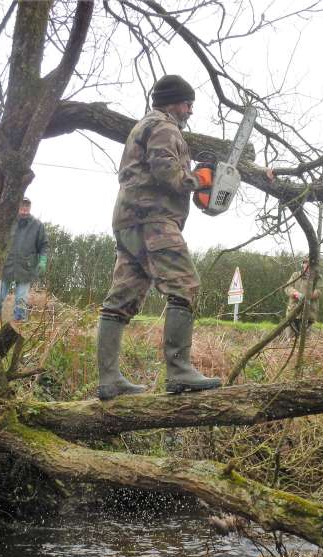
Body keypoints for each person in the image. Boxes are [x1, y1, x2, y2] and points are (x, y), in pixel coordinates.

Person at [97, 74, 221, 400]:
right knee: (185, 284)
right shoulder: (165, 127)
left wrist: (193, 182)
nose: (190, 110)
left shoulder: (143, 126)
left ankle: (108, 379)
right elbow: (165, 169)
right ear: (173, 102)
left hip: (128, 221)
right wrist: (198, 180)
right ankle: (179, 372)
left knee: (120, 299)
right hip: (152, 220)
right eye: (187, 103)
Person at [0, 197, 49, 323]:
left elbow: (44, 245)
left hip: (26, 268)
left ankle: (19, 325)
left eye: (27, 208)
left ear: (30, 208)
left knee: (21, 300)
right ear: (18, 207)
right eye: (22, 207)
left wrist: (43, 260)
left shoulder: (38, 225)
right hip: (7, 266)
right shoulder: (9, 222)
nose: (24, 211)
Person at [284, 258, 323, 336]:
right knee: (290, 340)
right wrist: (296, 294)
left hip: (309, 314)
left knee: (305, 343)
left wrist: (307, 297)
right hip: (292, 312)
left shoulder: (318, 277)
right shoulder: (295, 275)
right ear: (302, 264)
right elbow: (287, 288)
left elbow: (320, 291)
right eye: (305, 263)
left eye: (310, 263)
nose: (307, 265)